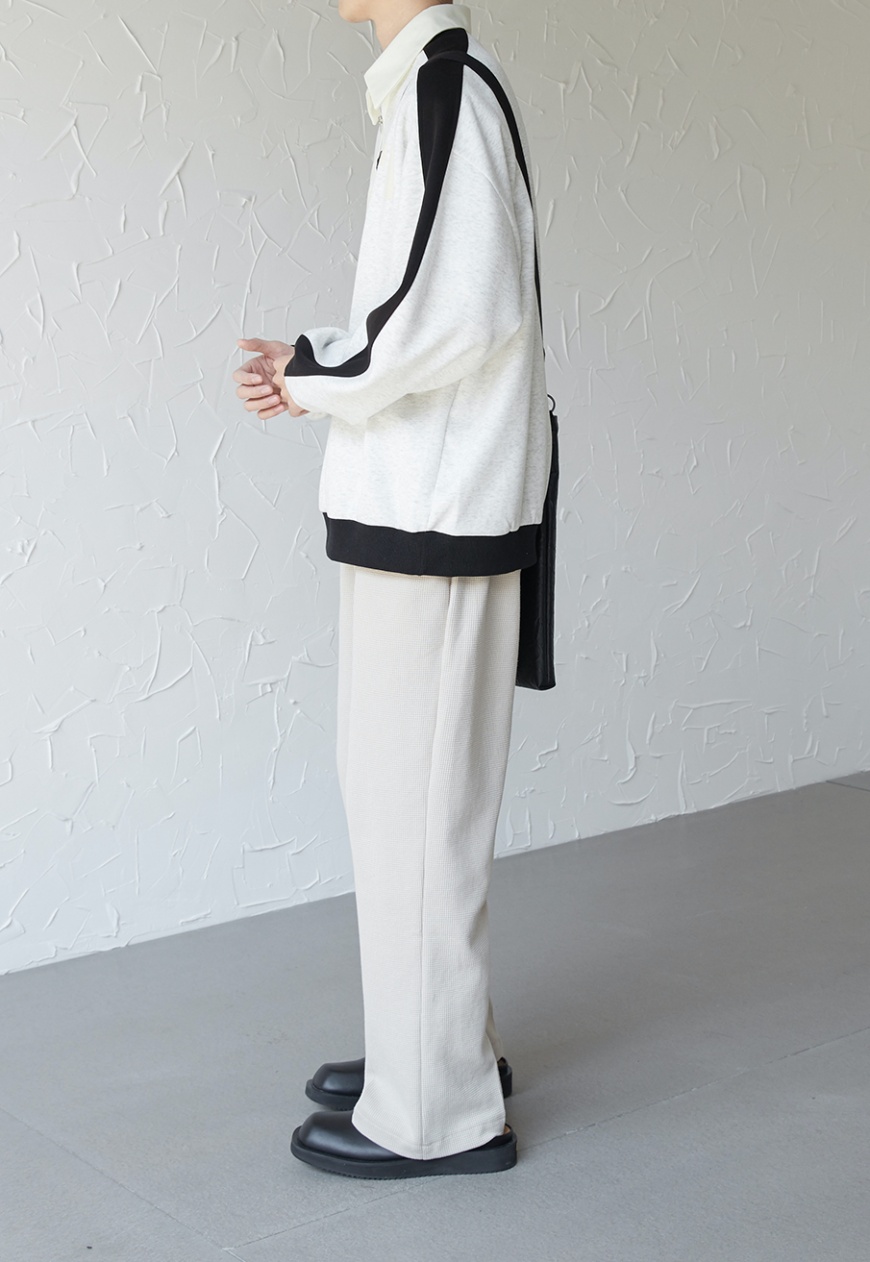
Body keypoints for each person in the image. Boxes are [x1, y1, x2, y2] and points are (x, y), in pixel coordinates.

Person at [232, 0, 551, 1179]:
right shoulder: (427, 88)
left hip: (436, 511)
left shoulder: (444, 89)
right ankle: (433, 1051)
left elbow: (457, 315)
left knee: (417, 808)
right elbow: (425, 308)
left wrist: (312, 371)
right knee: (400, 797)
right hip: (418, 506)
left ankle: (436, 1115)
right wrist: (317, 362)